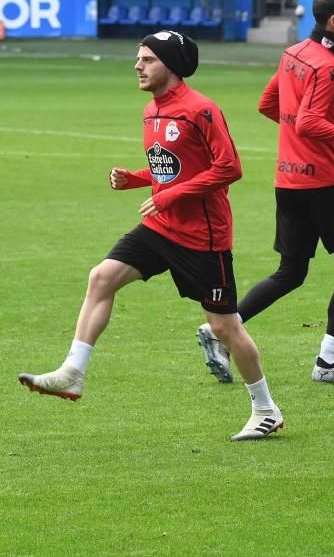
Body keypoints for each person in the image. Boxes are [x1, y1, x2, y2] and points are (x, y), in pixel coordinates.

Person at [18, 31, 283, 441]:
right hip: (161, 226)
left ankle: (265, 409)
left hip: (203, 237)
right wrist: (135, 179)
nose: (138, 65)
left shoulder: (201, 109)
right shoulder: (151, 111)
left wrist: (171, 194)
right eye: (138, 58)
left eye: (147, 59)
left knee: (225, 326)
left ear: (171, 65)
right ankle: (73, 372)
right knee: (101, 277)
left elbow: (229, 168)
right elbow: (171, 170)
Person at [195, 0, 334, 385]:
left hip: (288, 180)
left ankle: (217, 329)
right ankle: (327, 363)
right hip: (325, 182)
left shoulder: (293, 54)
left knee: (291, 271)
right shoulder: (328, 67)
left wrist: (297, 142)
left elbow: (268, 104)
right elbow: (308, 122)